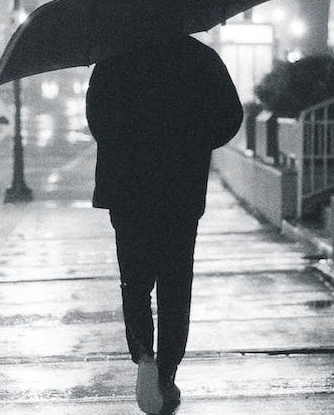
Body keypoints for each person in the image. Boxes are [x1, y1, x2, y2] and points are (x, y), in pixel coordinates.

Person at [86, 35, 243, 414]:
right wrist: (194, 140)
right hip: (181, 188)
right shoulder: (201, 60)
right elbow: (230, 116)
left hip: (128, 189)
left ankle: (143, 353)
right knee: (175, 283)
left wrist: (129, 142)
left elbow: (98, 122)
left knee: (135, 280)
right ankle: (167, 371)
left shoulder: (112, 61)